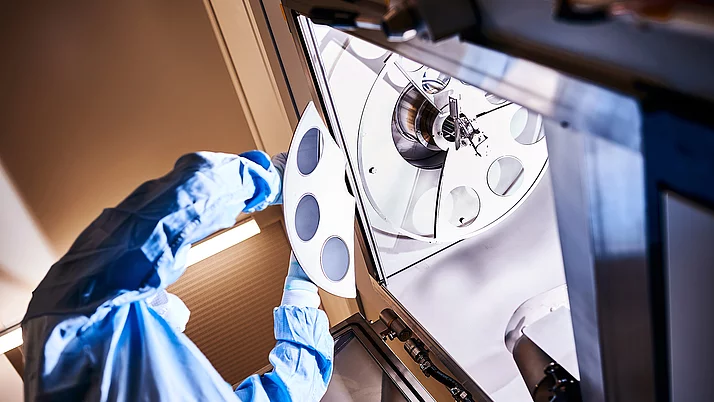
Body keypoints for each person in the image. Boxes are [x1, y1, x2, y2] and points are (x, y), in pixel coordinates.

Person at [21, 150, 334, 401]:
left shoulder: (61, 334)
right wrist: (275, 181)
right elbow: (178, 206)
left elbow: (294, 389)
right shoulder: (62, 335)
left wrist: (304, 282)